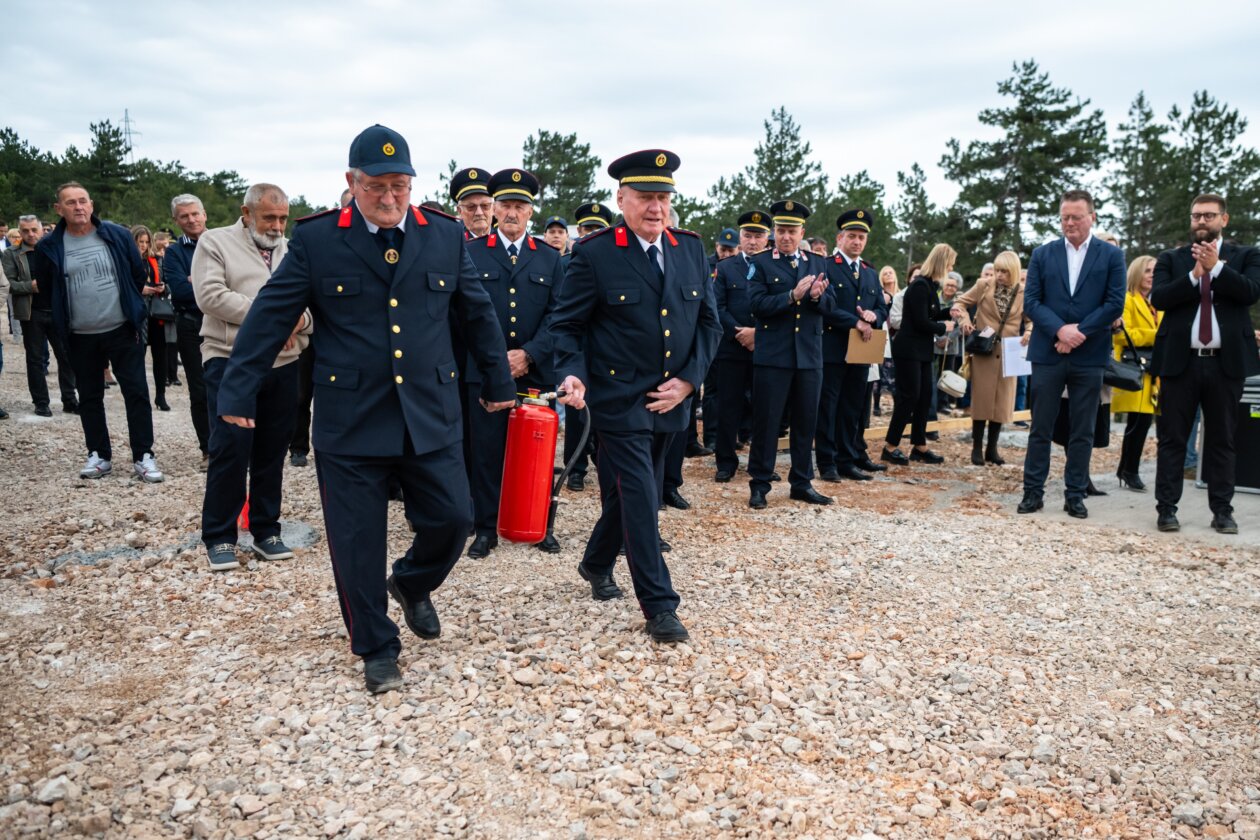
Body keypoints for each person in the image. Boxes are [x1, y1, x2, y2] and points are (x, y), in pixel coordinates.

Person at [217, 125, 515, 694]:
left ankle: (410, 581)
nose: (388, 197)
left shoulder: (444, 236)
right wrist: (237, 391)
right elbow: (270, 316)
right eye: (376, 186)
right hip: (351, 420)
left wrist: (498, 380)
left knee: (454, 519)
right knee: (356, 544)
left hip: (430, 412)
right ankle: (376, 645)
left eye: (399, 185)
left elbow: (477, 313)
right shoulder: (319, 240)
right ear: (351, 183)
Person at [551, 149, 720, 644]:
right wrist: (574, 374)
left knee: (631, 492)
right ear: (621, 198)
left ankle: (595, 561)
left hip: (673, 398)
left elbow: (709, 322)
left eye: (663, 198)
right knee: (644, 497)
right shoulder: (595, 253)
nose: (656, 208)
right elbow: (567, 325)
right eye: (645, 197)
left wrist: (689, 380)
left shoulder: (689, 247)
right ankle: (660, 607)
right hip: (617, 398)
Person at [193, 183, 312, 571]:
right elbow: (210, 295)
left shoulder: (293, 250)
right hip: (229, 359)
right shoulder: (214, 242)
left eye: (282, 218)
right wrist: (272, 316)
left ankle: (266, 530)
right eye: (269, 218)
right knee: (230, 447)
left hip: (284, 361)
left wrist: (302, 319)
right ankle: (220, 536)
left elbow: (313, 304)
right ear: (246, 214)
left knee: (272, 450)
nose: (277, 226)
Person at [31, 182, 162, 482]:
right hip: (79, 334)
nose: (78, 207)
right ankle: (99, 455)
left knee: (137, 393)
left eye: (83, 201)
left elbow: (136, 274)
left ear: (91, 204)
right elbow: (48, 287)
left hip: (122, 329)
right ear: (58, 209)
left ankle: (144, 455)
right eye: (70, 202)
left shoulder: (116, 235)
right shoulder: (49, 246)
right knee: (89, 396)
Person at [463, 168, 562, 559]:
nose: (511, 213)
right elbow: (464, 315)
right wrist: (495, 361)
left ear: (530, 213)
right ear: (494, 210)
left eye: (519, 206)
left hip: (536, 371)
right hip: (485, 372)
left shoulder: (551, 259)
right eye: (504, 205)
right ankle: (485, 528)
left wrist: (530, 354)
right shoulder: (471, 253)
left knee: (539, 451)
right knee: (485, 452)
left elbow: (560, 316)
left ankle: (541, 524)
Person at [1151, 193, 1260, 534]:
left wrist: (1217, 269)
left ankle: (1222, 511)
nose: (1201, 221)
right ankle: (1167, 508)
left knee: (1222, 439)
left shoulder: (1246, 256)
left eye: (1209, 216)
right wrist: (1194, 277)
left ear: (1223, 220)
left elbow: (1250, 292)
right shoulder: (1172, 258)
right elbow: (1160, 298)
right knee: (1172, 439)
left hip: (1224, 365)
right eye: (1196, 215)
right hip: (1180, 364)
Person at [1019, 189, 1126, 519]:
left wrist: (1078, 332)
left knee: (1082, 430)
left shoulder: (1110, 256)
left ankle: (1075, 494)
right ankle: (1032, 493)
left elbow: (1113, 304)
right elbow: (1032, 302)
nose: (1069, 223)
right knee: (1041, 428)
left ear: (1092, 217)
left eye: (1076, 217)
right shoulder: (1043, 254)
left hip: (1089, 354)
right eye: (1064, 217)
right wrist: (1060, 331)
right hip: (1048, 353)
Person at [745, 200, 833, 508]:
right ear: (774, 232)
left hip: (809, 356)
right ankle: (759, 483)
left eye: (792, 231)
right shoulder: (762, 262)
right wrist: (791, 296)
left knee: (805, 421)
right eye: (781, 231)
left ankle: (802, 482)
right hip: (774, 357)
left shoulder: (819, 263)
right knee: (766, 423)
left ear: (802, 232)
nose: (786, 237)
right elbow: (756, 304)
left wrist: (819, 298)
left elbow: (832, 307)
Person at [816, 209, 888, 482]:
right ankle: (826, 462)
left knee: (852, 408)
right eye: (852, 236)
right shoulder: (827, 266)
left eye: (861, 237)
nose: (857, 242)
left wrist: (874, 316)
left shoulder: (870, 273)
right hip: (833, 348)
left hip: (861, 350)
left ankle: (846, 460)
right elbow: (825, 305)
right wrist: (854, 321)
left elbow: (881, 307)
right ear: (840, 237)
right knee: (828, 407)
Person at [559, 201, 616, 492]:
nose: (589, 234)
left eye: (597, 229)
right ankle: (576, 467)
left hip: (607, 351)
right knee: (577, 413)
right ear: (578, 231)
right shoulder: (566, 263)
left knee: (606, 412)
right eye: (586, 229)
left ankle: (602, 460)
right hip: (579, 350)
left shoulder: (614, 261)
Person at [882, 244, 956, 465]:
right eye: (950, 263)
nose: (951, 267)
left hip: (922, 351)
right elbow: (921, 321)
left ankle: (919, 445)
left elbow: (930, 313)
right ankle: (890, 446)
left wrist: (947, 312)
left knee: (924, 397)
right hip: (908, 349)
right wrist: (944, 327)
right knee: (909, 396)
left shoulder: (930, 287)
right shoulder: (919, 286)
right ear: (942, 263)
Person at [711, 209, 769, 482]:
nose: (753, 241)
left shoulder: (775, 265)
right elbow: (717, 307)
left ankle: (760, 463)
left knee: (764, 407)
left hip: (766, 348)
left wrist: (758, 334)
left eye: (758, 236)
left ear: (767, 239)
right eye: (748, 235)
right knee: (728, 406)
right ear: (741, 238)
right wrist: (740, 333)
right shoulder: (725, 268)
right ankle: (725, 461)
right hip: (732, 348)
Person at [953, 250, 1026, 466]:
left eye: (1004, 271)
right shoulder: (984, 285)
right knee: (981, 400)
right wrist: (964, 321)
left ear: (1013, 271)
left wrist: (1030, 331)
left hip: (1009, 352)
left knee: (1002, 404)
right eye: (997, 270)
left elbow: (1031, 319)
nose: (999, 275)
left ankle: (992, 449)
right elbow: (960, 303)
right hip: (984, 349)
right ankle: (976, 448)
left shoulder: (1023, 292)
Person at [4, 214, 79, 416]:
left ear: (41, 230)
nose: (30, 234)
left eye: (33, 230)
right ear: (19, 232)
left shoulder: (56, 249)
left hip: (57, 311)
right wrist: (30, 286)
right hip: (31, 313)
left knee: (66, 356)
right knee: (35, 360)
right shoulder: (11, 254)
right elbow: (8, 284)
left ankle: (70, 399)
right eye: (25, 230)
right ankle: (41, 402)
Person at [162, 194, 212, 468]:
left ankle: (236, 446)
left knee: (233, 385)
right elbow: (180, 291)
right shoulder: (173, 253)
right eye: (184, 216)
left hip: (225, 323)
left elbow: (235, 283)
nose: (191, 219)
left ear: (204, 214)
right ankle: (208, 449)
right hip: (191, 324)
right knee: (200, 390)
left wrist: (197, 280)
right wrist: (211, 284)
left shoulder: (223, 242)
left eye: (195, 213)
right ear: (176, 220)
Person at [1108, 255, 1160, 491]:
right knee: (1136, 424)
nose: (1152, 275)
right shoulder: (1127, 300)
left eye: (1155, 271)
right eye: (1148, 270)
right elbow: (1121, 335)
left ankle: (1127, 469)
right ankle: (1129, 470)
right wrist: (1157, 336)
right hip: (1133, 367)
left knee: (1142, 424)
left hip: (1153, 370)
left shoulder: (1156, 303)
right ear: (1137, 273)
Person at [131, 225, 171, 412]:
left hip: (157, 313)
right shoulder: (127, 260)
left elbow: (167, 281)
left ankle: (161, 395)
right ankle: (140, 395)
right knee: (137, 355)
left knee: (160, 355)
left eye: (147, 242)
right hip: (137, 313)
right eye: (141, 242)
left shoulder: (156, 260)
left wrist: (163, 287)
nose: (144, 246)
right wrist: (139, 289)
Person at [450, 167, 494, 240]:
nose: (479, 213)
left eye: (485, 206)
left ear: (494, 209)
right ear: (460, 211)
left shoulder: (505, 241)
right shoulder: (453, 243)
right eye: (471, 207)